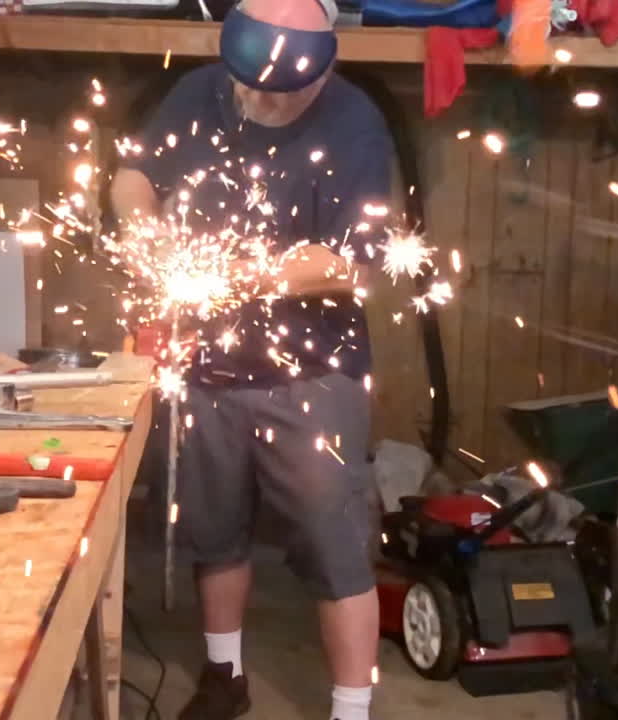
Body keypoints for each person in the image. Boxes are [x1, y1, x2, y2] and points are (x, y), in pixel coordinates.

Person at [110, 1, 393, 718]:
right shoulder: (196, 93)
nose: (264, 98)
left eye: (284, 87)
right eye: (253, 83)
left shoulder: (356, 123)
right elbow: (134, 175)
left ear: (322, 61)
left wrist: (240, 276)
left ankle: (351, 710)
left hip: (311, 371)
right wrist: (141, 227)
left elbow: (349, 264)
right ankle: (223, 677)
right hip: (207, 366)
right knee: (215, 528)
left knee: (337, 547)